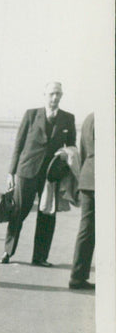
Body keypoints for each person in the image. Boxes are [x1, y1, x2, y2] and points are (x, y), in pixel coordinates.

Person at [0, 82, 76, 266]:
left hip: (51, 175)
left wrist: (64, 159)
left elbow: (72, 147)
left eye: (58, 94)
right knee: (19, 211)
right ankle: (7, 252)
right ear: (44, 95)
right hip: (26, 172)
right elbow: (18, 145)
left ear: (62, 96)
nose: (54, 98)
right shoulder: (31, 115)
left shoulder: (68, 118)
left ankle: (40, 257)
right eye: (51, 94)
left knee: (47, 214)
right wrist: (11, 173)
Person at [69, 112, 95, 289]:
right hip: (103, 179)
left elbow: (84, 150)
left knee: (87, 229)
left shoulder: (89, 118)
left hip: (88, 178)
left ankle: (77, 277)